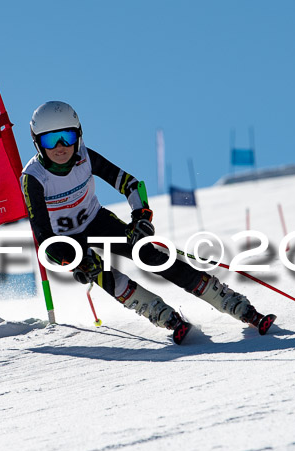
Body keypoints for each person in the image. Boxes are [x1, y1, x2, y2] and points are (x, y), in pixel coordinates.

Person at [20, 101, 275, 344]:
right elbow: (43, 234)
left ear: (79, 135)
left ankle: (234, 304)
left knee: (149, 255)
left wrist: (141, 217)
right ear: (37, 143)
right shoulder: (34, 177)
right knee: (98, 270)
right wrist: (70, 260)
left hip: (97, 222)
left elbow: (130, 184)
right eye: (50, 139)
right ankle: (161, 313)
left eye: (68, 136)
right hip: (65, 240)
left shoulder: (86, 157)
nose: (61, 146)